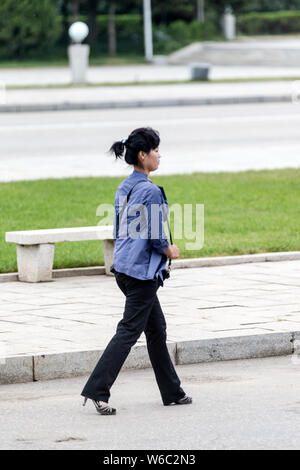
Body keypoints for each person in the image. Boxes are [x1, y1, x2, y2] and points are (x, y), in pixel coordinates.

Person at [81, 127, 192, 415]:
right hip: (141, 273)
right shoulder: (151, 191)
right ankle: (97, 390)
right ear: (142, 155)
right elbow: (156, 236)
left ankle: (172, 392)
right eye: (155, 150)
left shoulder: (124, 187)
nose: (159, 155)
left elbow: (122, 229)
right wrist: (169, 249)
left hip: (123, 267)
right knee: (129, 331)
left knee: (156, 330)